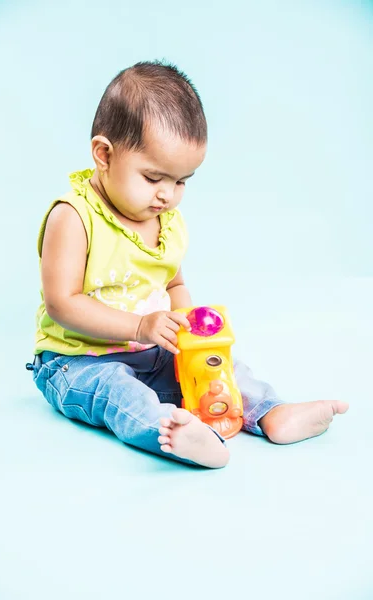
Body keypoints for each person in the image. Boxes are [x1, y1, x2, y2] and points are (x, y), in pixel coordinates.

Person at [28, 61, 348, 468]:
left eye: (181, 182)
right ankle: (176, 434)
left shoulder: (165, 222)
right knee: (119, 394)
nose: (167, 195)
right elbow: (62, 302)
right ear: (104, 154)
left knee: (222, 368)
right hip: (78, 362)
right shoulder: (73, 217)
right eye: (153, 177)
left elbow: (174, 284)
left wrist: (190, 333)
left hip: (151, 351)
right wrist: (139, 327)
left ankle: (271, 412)